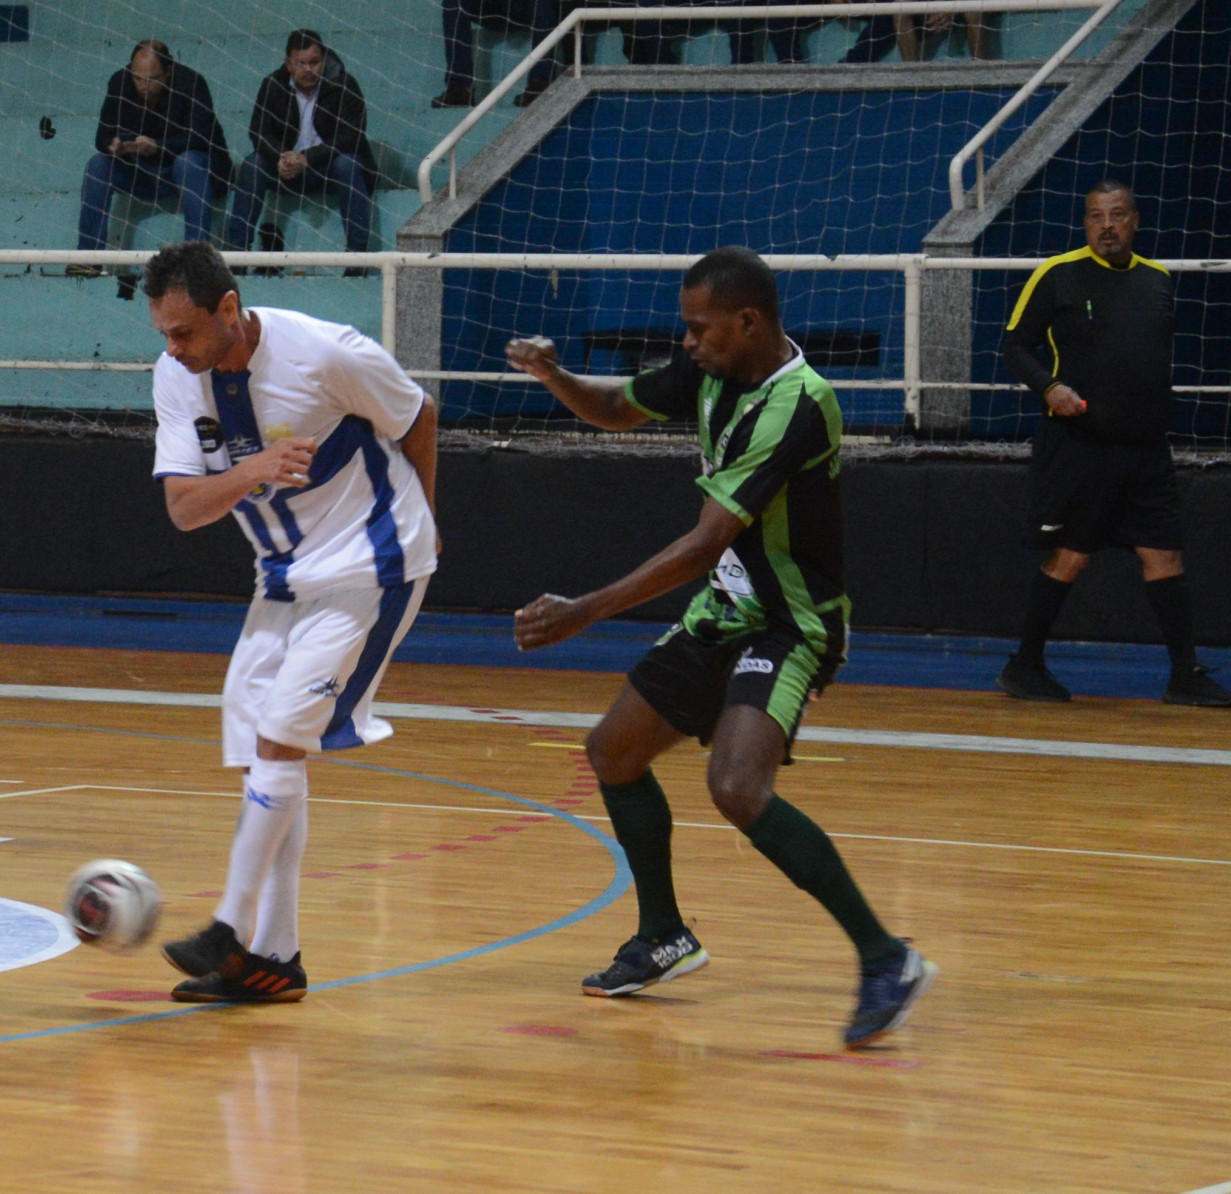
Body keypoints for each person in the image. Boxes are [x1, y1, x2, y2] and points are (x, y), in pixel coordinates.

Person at [504, 246, 936, 1049]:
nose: (689, 342)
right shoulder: (706, 367)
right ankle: (663, 935)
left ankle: (887, 958)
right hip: (724, 609)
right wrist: (553, 377)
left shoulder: (796, 404)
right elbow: (616, 409)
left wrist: (584, 611)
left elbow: (705, 544)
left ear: (749, 321)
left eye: (700, 329)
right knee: (614, 753)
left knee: (735, 787)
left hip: (790, 621)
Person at [144, 241, 438, 1003]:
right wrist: (249, 473)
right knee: (260, 757)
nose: (172, 350)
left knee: (278, 739)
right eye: (164, 335)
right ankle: (272, 961)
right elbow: (182, 509)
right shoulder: (176, 380)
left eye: (184, 333)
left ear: (230, 312)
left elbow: (416, 416)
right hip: (279, 581)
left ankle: (227, 929)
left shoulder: (326, 354)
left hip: (370, 567)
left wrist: (422, 526)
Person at [997, 180, 1229, 707]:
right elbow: (1015, 346)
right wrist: (1050, 388)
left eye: (1117, 215)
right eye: (1096, 216)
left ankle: (1184, 675)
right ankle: (1024, 666)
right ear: (1085, 224)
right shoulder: (1057, 275)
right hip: (1081, 446)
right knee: (1071, 555)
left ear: (1135, 221)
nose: (1107, 225)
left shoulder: (1158, 281)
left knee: (1165, 555)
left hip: (1146, 450)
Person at [70, 40, 231, 275]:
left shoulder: (192, 83)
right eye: (137, 78)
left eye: (152, 79)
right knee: (98, 164)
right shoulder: (119, 82)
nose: (143, 86)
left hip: (189, 173)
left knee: (188, 162)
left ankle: (196, 260)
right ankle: (88, 257)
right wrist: (113, 145)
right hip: (144, 172)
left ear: (168, 72)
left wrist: (158, 147)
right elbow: (102, 136)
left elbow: (201, 138)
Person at [227, 30, 379, 271]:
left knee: (348, 164)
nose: (308, 70)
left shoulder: (344, 84)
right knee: (253, 164)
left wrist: (307, 159)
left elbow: (351, 135)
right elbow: (257, 131)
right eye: (301, 63)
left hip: (326, 169)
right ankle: (237, 257)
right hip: (286, 168)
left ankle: (358, 258)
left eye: (315, 62)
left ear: (324, 59)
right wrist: (281, 157)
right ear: (289, 64)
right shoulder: (272, 84)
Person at [431, 0, 562, 109]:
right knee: (454, 2)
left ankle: (540, 83)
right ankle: (459, 88)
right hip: (491, 8)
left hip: (528, 7)